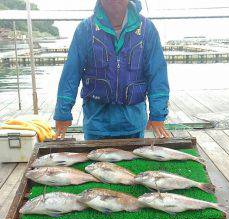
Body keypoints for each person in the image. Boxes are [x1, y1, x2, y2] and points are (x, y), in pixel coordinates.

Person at [54, 0, 170, 140]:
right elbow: (71, 73)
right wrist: (62, 112)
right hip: (96, 126)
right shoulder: (85, 29)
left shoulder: (147, 29)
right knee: (96, 162)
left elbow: (157, 74)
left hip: (133, 124)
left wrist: (158, 113)